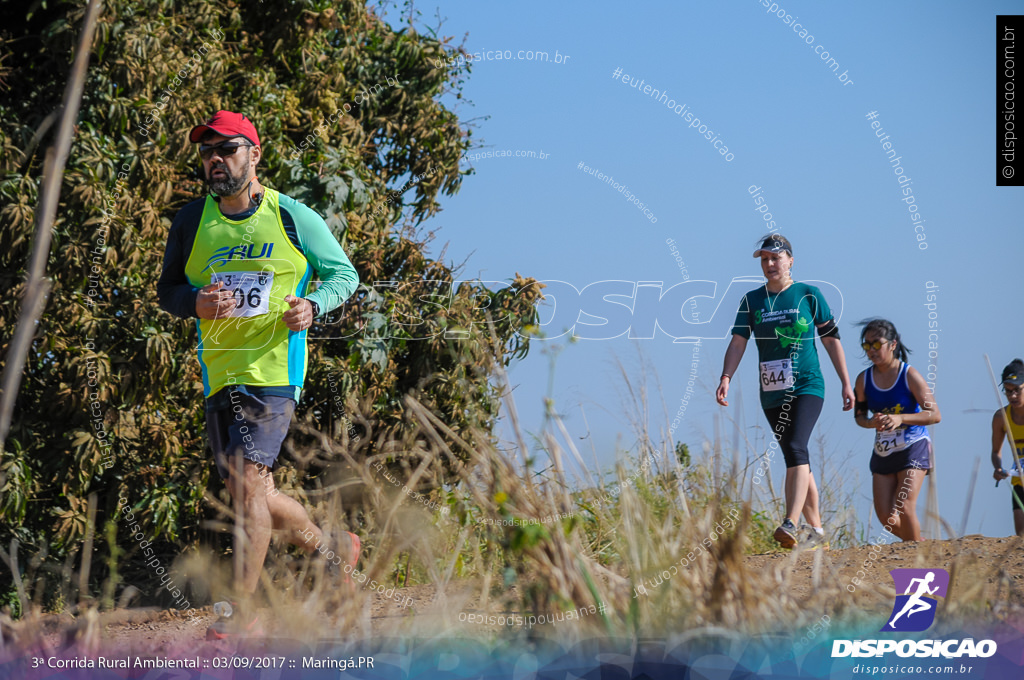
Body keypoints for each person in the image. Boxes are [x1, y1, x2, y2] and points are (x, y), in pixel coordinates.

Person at [157, 111, 361, 638]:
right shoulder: (190, 221)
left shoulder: (292, 216)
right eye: (207, 152)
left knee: (247, 485)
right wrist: (195, 302)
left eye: (227, 149)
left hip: (273, 372)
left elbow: (344, 274)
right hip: (219, 374)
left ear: (255, 155)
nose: (215, 160)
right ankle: (333, 552)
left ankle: (239, 609)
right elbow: (168, 291)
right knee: (255, 493)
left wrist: (313, 305)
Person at [716, 234, 854, 549]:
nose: (769, 264)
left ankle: (790, 523)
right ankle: (817, 532)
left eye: (775, 258)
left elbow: (832, 339)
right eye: (764, 259)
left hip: (807, 385)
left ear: (790, 260)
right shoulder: (752, 301)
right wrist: (726, 376)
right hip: (772, 390)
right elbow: (738, 342)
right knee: (796, 455)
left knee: (796, 446)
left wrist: (846, 382)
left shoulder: (809, 295)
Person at [853, 319, 940, 542]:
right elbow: (859, 417)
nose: (871, 350)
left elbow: (934, 414)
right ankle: (918, 545)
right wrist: (871, 423)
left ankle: (916, 559)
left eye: (876, 344)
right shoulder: (863, 380)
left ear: (892, 344)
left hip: (913, 445)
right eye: (866, 345)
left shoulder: (909, 375)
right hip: (884, 449)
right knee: (885, 516)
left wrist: (900, 418)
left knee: (905, 506)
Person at [991, 359, 1024, 536]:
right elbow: (996, 452)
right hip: (1019, 482)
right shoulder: (1001, 418)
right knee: (1021, 540)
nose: (1012, 396)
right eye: (1008, 391)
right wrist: (997, 467)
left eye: (1017, 390)